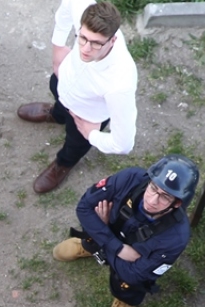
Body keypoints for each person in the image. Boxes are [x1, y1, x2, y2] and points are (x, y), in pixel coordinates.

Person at [53, 155, 199, 307]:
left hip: (126, 272)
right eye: (153, 188)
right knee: (91, 233)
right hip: (116, 242)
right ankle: (89, 246)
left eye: (165, 197)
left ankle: (125, 301)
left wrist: (102, 228)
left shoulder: (176, 238)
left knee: (129, 285)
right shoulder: (130, 179)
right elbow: (84, 207)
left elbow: (133, 274)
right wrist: (116, 246)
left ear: (177, 203)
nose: (152, 200)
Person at [17, 1, 137, 194]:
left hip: (85, 115)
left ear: (112, 40)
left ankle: (63, 164)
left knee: (75, 143)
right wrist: (58, 46)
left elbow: (124, 144)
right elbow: (69, 4)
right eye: (82, 38)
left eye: (97, 43)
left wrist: (92, 135)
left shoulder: (120, 83)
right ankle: (56, 114)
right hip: (64, 82)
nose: (86, 49)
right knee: (56, 92)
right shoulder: (82, 8)